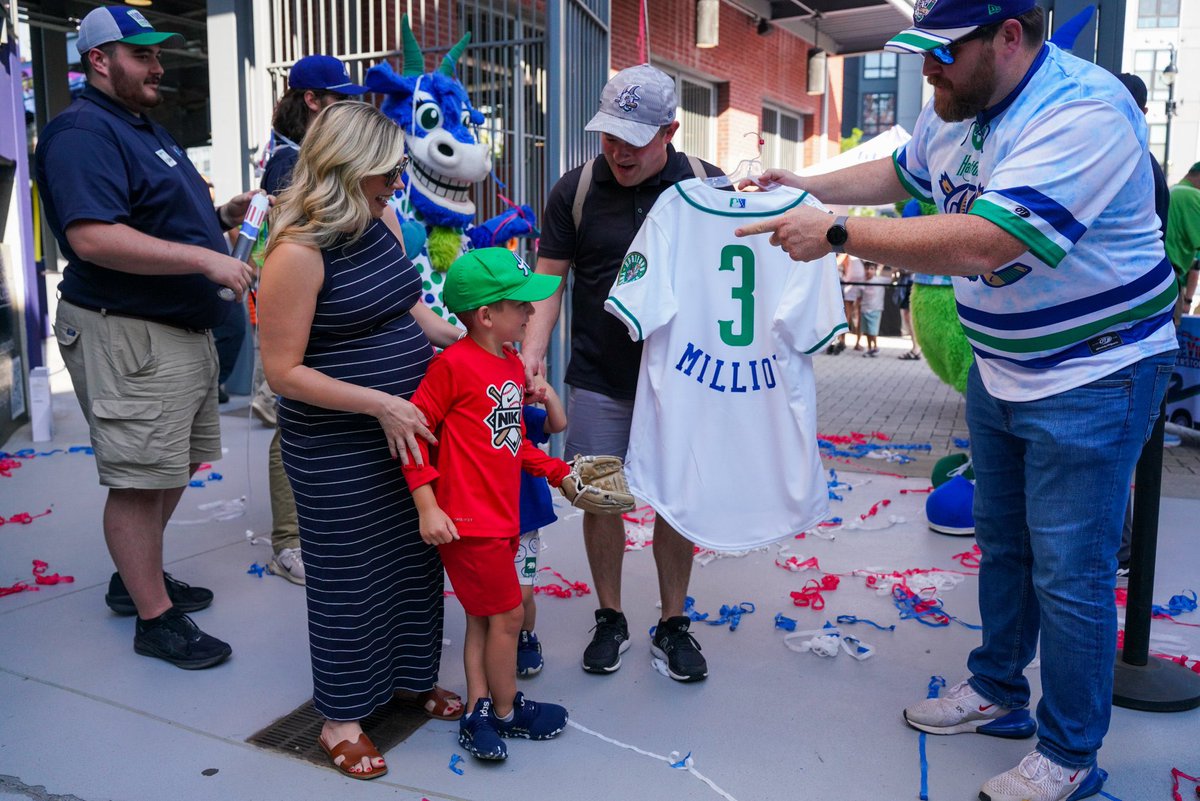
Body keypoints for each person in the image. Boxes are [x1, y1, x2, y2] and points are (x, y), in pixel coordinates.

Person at [733, 2, 1177, 799]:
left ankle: (1070, 752)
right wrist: (803, 181)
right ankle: (999, 690)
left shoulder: (1083, 111)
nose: (927, 70)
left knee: (1070, 572)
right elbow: (901, 171)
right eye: (922, 52)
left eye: (943, 53)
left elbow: (987, 241)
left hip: (1093, 374)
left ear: (1010, 36)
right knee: (1004, 544)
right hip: (1001, 368)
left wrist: (835, 233)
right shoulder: (955, 102)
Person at [35, 6, 259, 670]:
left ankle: (137, 582)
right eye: (142, 55)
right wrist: (204, 259)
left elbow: (153, 216)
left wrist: (221, 217)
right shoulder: (81, 132)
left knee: (173, 462)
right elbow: (93, 236)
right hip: (126, 330)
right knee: (138, 477)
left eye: (159, 55)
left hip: (175, 330)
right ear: (99, 60)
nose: (159, 66)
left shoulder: (139, 127)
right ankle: (155, 618)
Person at [257, 101, 464, 780]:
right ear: (347, 169)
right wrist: (381, 403)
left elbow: (405, 299)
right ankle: (341, 718)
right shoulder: (297, 252)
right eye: (387, 171)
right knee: (352, 577)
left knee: (413, 557)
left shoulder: (378, 218)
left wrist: (457, 340)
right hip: (338, 444)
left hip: (402, 430)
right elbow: (282, 372)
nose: (398, 182)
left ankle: (407, 680)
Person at [522, 63, 722, 682]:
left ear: (670, 130)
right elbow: (547, 283)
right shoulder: (574, 190)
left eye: (633, 140)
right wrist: (530, 353)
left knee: (676, 503)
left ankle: (671, 620)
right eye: (609, 135)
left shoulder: (706, 186)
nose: (617, 151)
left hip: (683, 382)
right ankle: (610, 615)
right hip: (601, 376)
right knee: (599, 497)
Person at [403, 247, 574, 761]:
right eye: (519, 305)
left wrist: (558, 472)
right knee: (507, 617)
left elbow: (510, 442)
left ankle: (478, 711)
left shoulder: (506, 364)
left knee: (483, 619)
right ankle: (507, 710)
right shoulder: (451, 368)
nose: (529, 312)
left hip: (501, 517)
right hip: (468, 523)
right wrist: (426, 505)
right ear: (485, 315)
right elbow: (413, 434)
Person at [254, 54, 371, 585]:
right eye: (340, 98)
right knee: (291, 421)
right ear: (311, 100)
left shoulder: (308, 156)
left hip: (320, 312)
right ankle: (289, 542)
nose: (349, 107)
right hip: (298, 317)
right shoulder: (289, 162)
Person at [516, 379, 568, 678]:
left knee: (522, 593)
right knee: (495, 595)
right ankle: (497, 641)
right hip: (489, 518)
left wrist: (545, 391)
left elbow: (557, 424)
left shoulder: (520, 413)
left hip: (525, 519)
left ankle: (525, 635)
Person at [1166, 162, 1200, 322]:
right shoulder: (1193, 196)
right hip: (1170, 278)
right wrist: (1188, 300)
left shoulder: (1171, 191)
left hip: (1154, 273)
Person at [859, 261, 888, 356]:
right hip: (864, 309)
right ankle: (869, 348)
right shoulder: (862, 282)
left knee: (873, 331)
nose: (868, 271)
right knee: (866, 331)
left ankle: (875, 347)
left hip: (875, 310)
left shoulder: (879, 280)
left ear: (875, 270)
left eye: (871, 268)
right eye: (866, 268)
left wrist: (895, 270)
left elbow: (892, 279)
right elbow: (859, 296)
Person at [893, 269, 922, 360]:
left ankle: (916, 348)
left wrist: (900, 268)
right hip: (907, 283)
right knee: (907, 316)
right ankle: (915, 347)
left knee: (910, 317)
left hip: (912, 282)